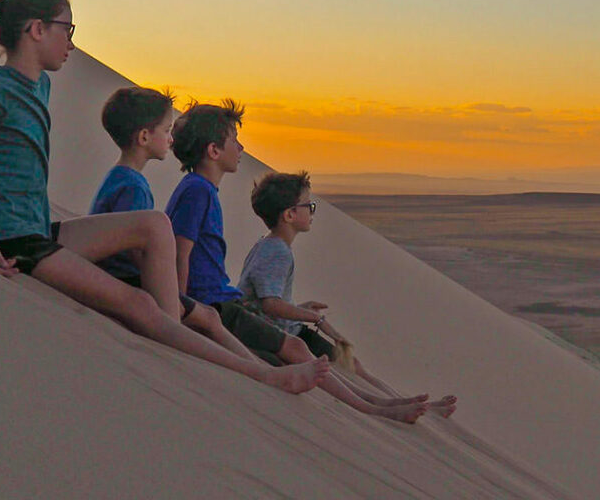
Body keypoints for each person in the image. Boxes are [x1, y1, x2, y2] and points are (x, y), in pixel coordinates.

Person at [0, 0, 328, 395]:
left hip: (37, 229)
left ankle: (172, 330)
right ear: (36, 30)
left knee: (154, 224)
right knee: (138, 304)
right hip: (8, 241)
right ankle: (257, 374)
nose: (71, 43)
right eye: (66, 29)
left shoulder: (40, 85)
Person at [166, 100, 430, 423]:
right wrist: (178, 306)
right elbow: (180, 251)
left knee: (299, 352)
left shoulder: (202, 190)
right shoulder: (199, 192)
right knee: (297, 351)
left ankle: (375, 402)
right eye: (234, 139)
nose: (241, 147)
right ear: (213, 151)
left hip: (222, 302)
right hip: (214, 305)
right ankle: (371, 407)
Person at [240, 171, 457, 417]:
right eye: (308, 206)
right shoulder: (276, 251)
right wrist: (315, 318)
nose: (312, 212)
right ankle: (377, 407)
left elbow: (266, 300)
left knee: (352, 365)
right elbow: (269, 305)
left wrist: (301, 308)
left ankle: (406, 403)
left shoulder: (268, 245)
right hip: (281, 335)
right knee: (334, 371)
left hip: (288, 328)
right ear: (289, 215)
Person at [88, 86, 259, 362]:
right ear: (145, 137)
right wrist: (174, 297)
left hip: (127, 278)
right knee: (210, 320)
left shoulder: (122, 178)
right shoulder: (134, 186)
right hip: (126, 281)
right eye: (166, 131)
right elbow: (138, 250)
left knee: (213, 320)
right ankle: (252, 367)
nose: (171, 139)